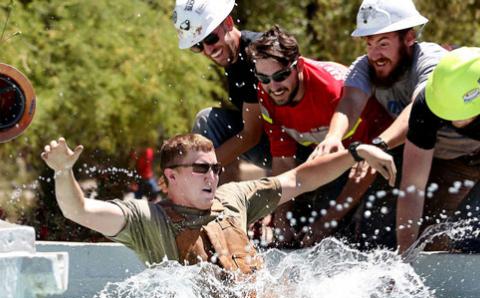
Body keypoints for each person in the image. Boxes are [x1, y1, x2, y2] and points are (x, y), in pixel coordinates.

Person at [41, 134, 395, 273]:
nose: (212, 175)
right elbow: (79, 211)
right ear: (171, 177)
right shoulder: (147, 219)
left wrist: (355, 152)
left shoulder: (233, 197)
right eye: (200, 168)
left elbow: (299, 179)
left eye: (214, 167)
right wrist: (62, 172)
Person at [311, 0, 451, 249]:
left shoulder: (431, 60)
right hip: (409, 156)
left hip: (460, 159)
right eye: (369, 44)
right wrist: (333, 137)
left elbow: (418, 110)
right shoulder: (365, 66)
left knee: (449, 236)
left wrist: (378, 145)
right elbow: (350, 102)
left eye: (383, 43)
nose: (375, 55)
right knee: (376, 233)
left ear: (408, 38)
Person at [246, 25, 393, 246]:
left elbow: (362, 171)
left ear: (300, 66)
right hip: (318, 147)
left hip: (374, 151)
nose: (273, 86)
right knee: (291, 231)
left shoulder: (332, 93)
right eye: (264, 78)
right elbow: (283, 160)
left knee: (329, 234)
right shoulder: (265, 91)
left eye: (281, 76)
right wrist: (281, 221)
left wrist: (326, 223)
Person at [173, 0, 270, 181]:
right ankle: (219, 204)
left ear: (228, 23)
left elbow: (251, 135)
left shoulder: (257, 54)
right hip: (275, 142)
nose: (209, 50)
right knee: (209, 120)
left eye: (211, 38)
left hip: (303, 145)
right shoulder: (233, 57)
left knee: (211, 123)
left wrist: (194, 171)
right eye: (198, 46)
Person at [396, 47, 480, 252]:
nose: (455, 121)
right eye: (448, 112)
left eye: (462, 114)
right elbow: (412, 187)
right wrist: (405, 256)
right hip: (466, 160)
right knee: (434, 236)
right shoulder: (428, 103)